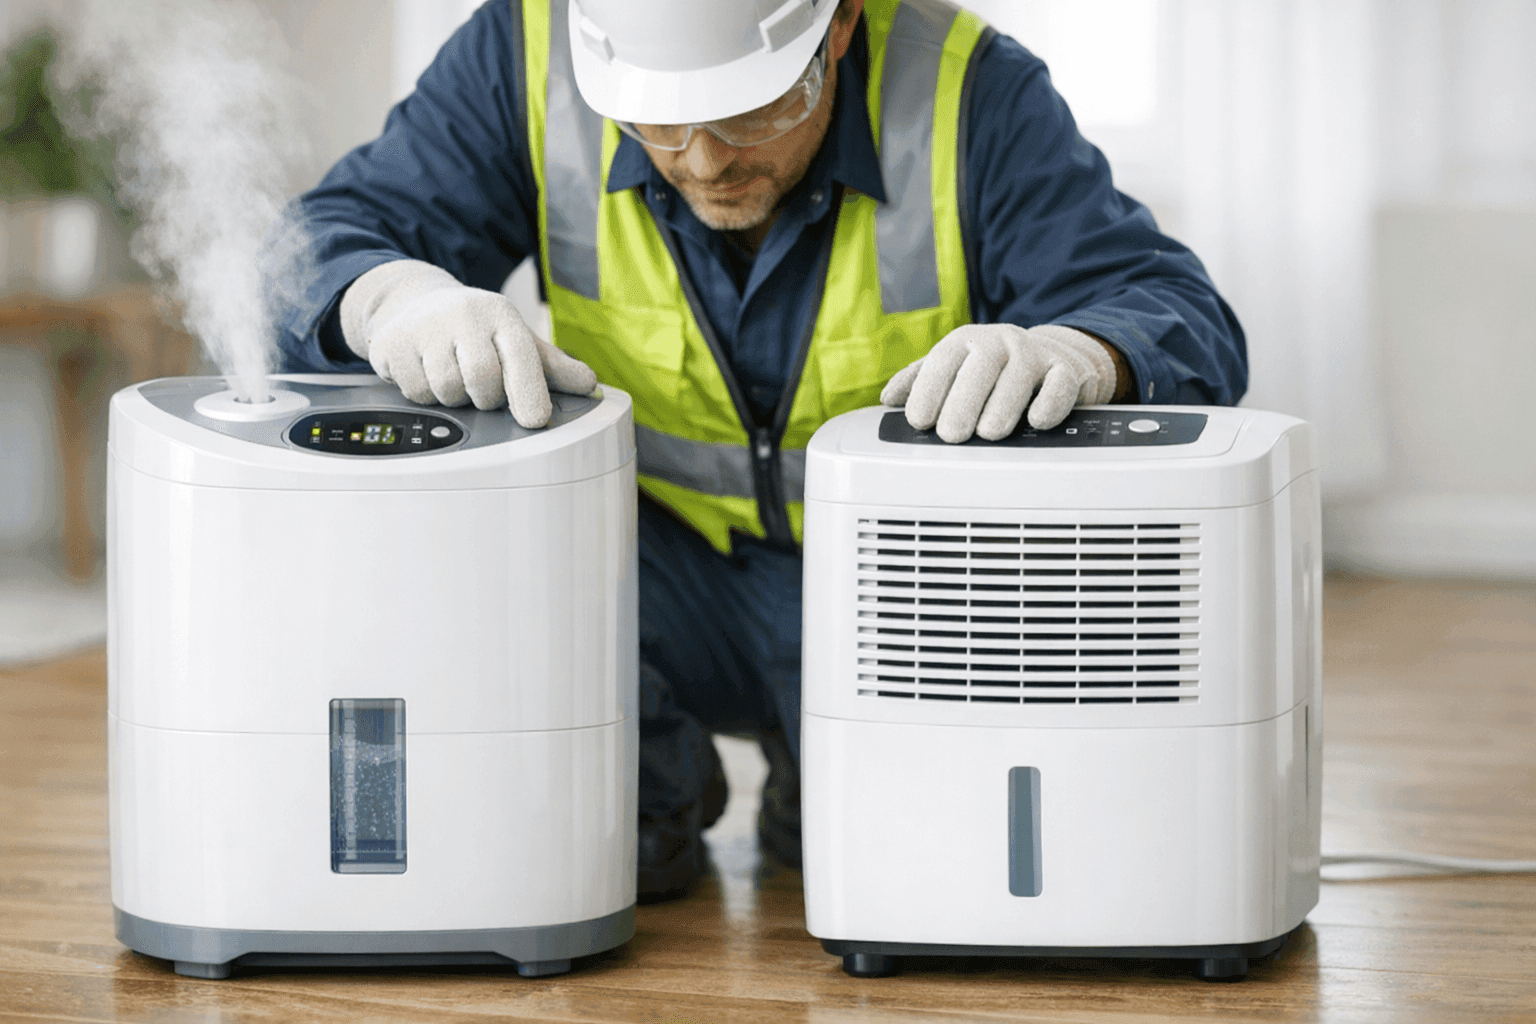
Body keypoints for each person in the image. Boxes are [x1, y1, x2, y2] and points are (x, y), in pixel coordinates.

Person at [276, 0, 1247, 900]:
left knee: (905, 872)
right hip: (647, 577)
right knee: (500, 590)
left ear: (838, 30)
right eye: (656, 123)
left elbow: (1182, 314)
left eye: (748, 114)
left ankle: (814, 779)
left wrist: (1080, 351)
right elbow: (321, 238)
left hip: (893, 596)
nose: (703, 162)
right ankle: (649, 796)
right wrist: (393, 296)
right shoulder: (527, 52)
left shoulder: (969, 92)